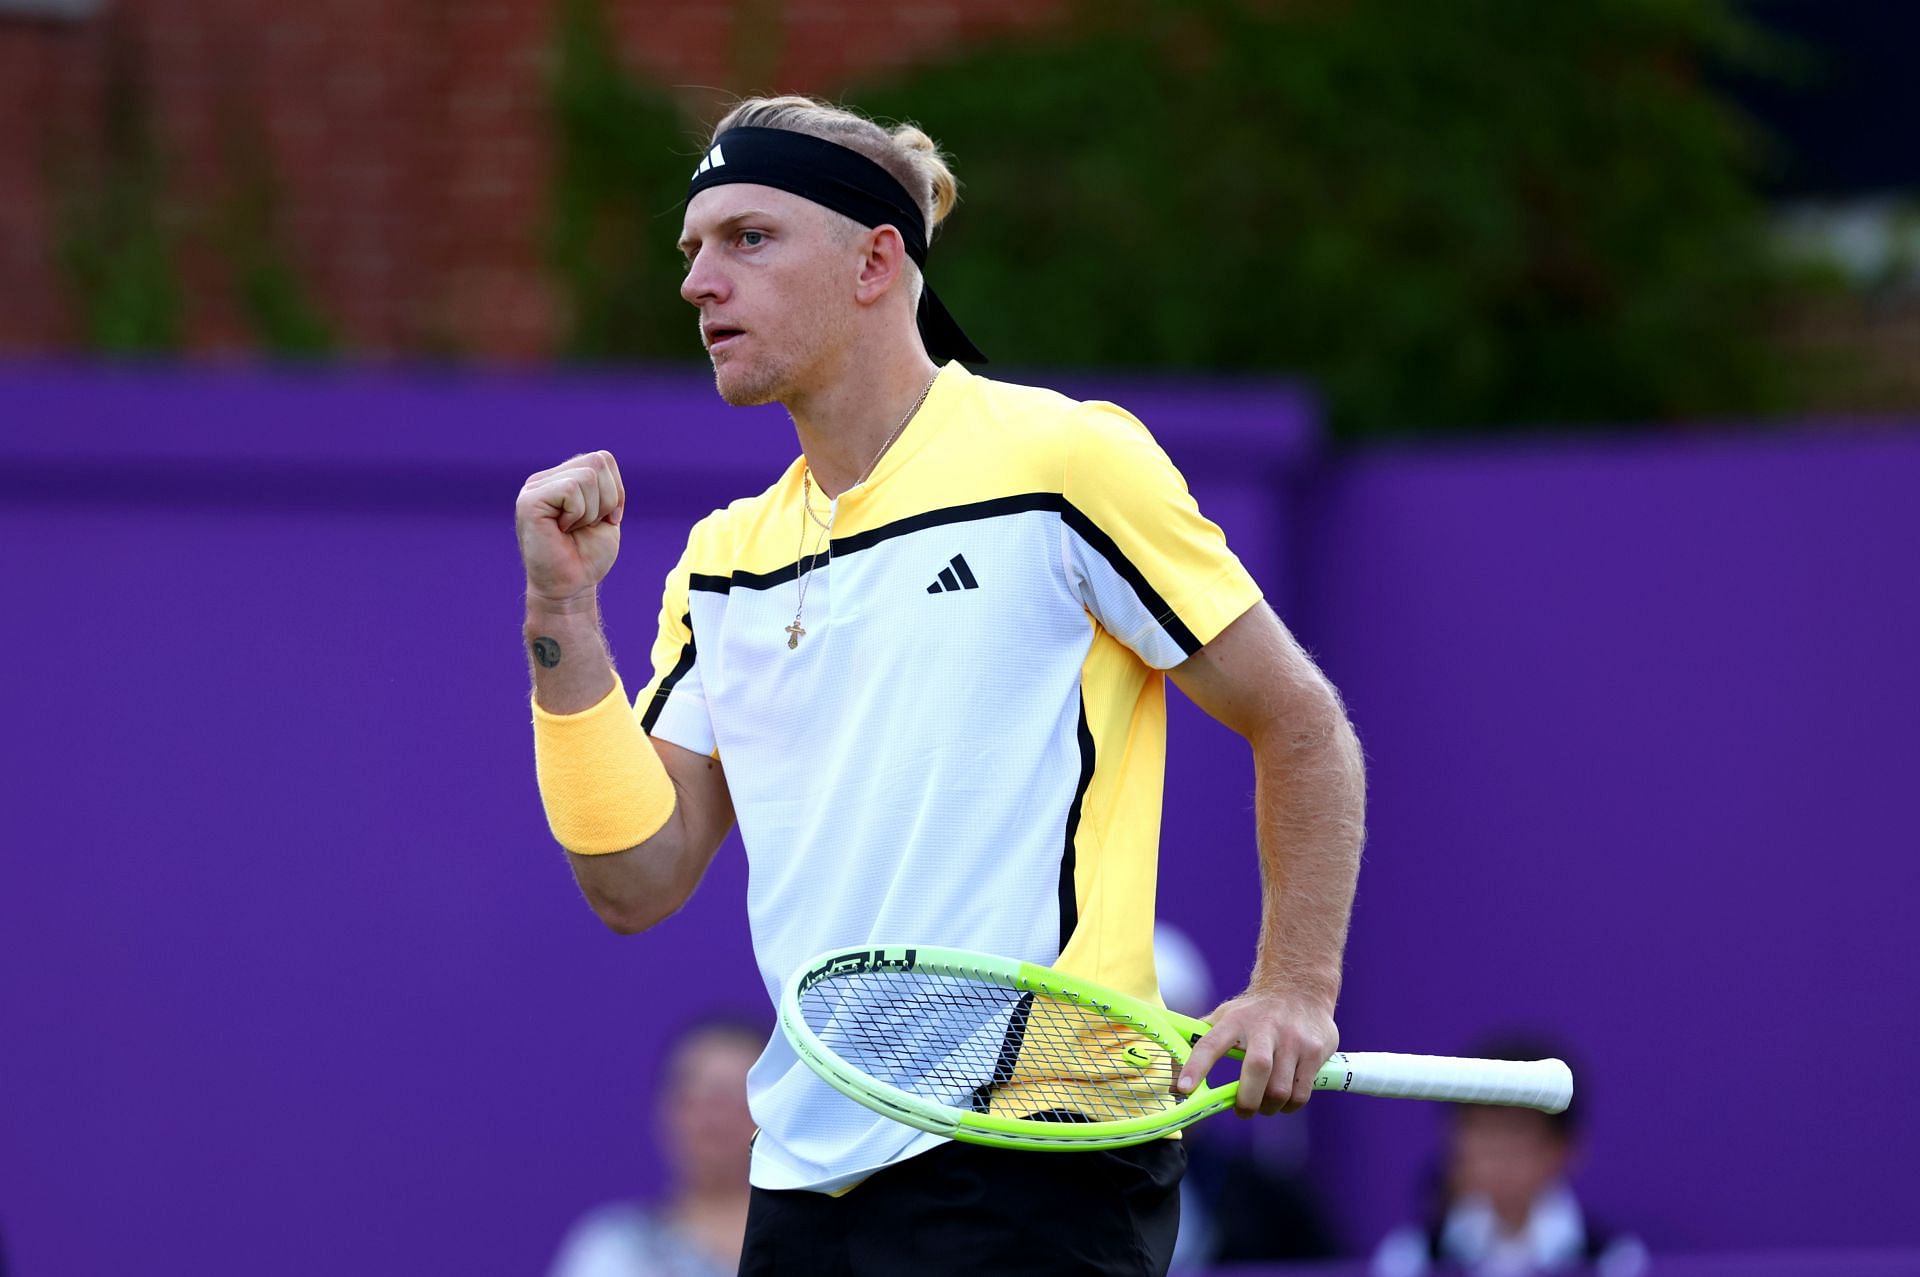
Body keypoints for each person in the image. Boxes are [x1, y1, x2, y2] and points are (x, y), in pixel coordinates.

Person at [518, 95, 1367, 1275]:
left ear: (877, 260)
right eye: (693, 249)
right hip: (806, 1178)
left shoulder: (1064, 460)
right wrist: (563, 616)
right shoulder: (721, 560)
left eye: (747, 239)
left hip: (1039, 1149)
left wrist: (1294, 985)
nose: (698, 282)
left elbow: (1300, 722)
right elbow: (633, 877)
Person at [1371, 1036, 1647, 1277]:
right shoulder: (1409, 1261)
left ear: (1563, 1147)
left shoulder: (1615, 1262)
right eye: (1481, 1131)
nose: (1495, 1152)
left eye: (1514, 1132)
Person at [549, 1018, 762, 1277]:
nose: (712, 1118)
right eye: (693, 1097)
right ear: (665, 1111)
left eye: (733, 1097)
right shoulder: (610, 1247)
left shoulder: (811, 1244)